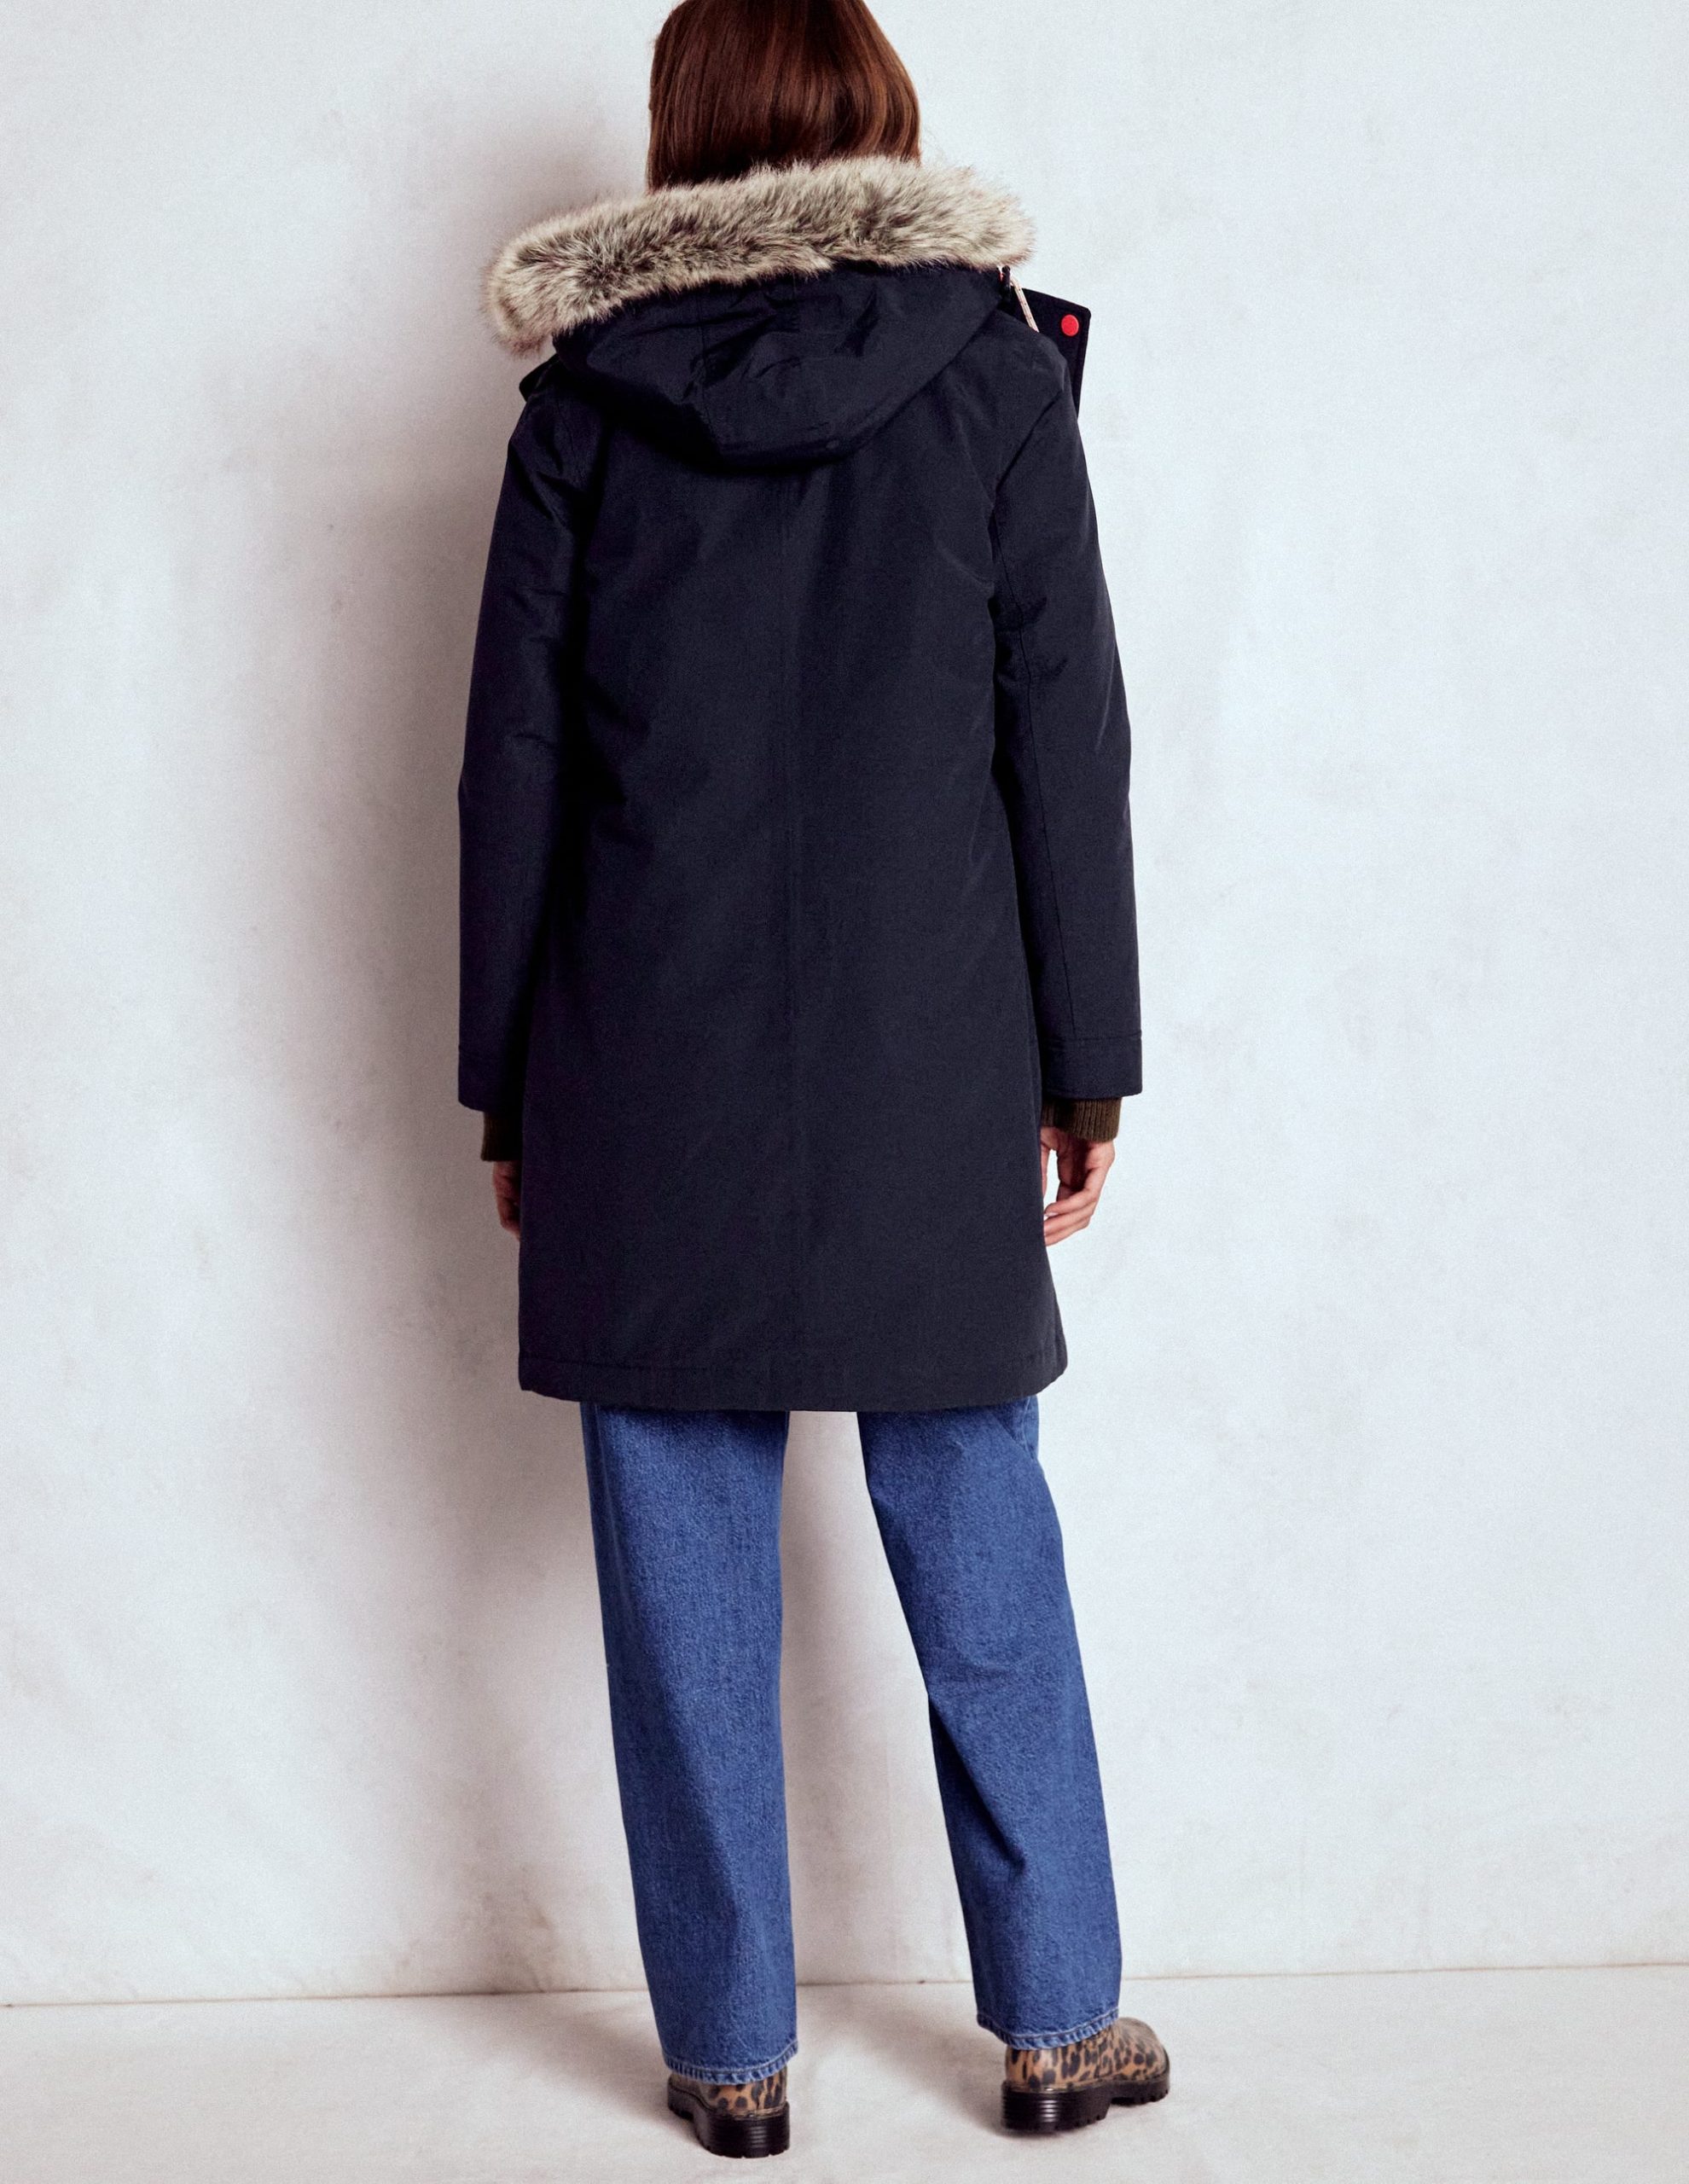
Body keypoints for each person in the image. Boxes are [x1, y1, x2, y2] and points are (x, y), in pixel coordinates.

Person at [458, 0, 1164, 2156]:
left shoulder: (583, 408)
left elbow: (512, 773)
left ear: (683, 131)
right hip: (928, 1063)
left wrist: (508, 1088)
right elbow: (1067, 741)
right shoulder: (991, 375)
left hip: (639, 1063)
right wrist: (1087, 1065)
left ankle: (731, 2053)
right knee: (979, 1524)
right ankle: (1058, 2023)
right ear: (875, 113)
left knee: (680, 1566)